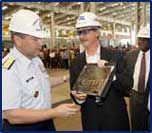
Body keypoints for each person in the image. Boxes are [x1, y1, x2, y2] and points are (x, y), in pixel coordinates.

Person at [2, 9, 79, 131]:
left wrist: (66, 79)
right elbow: (12, 115)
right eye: (35, 39)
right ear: (17, 39)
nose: (41, 43)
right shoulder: (8, 69)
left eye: (41, 39)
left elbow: (42, 82)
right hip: (23, 127)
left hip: (45, 122)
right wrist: (53, 112)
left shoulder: (35, 59)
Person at [70, 12, 130, 131]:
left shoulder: (115, 56)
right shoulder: (76, 62)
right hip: (90, 120)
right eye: (79, 32)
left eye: (86, 31)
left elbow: (127, 85)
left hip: (115, 118)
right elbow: (73, 89)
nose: (82, 36)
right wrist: (77, 98)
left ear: (97, 32)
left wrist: (110, 73)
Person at [123, 25, 150, 130]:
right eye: (139, 39)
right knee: (136, 124)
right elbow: (124, 73)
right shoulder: (130, 55)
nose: (141, 42)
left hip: (149, 96)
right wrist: (127, 90)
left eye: (145, 39)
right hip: (135, 96)